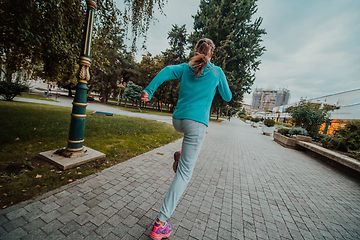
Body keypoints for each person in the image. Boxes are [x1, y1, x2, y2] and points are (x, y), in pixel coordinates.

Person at [141, 38, 232, 240]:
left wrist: (148, 90)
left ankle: (183, 154)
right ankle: (160, 224)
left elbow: (165, 71)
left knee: (190, 149)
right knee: (184, 174)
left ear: (196, 51)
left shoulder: (185, 67)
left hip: (178, 120)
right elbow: (227, 96)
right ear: (211, 54)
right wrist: (218, 80)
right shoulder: (217, 72)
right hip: (196, 124)